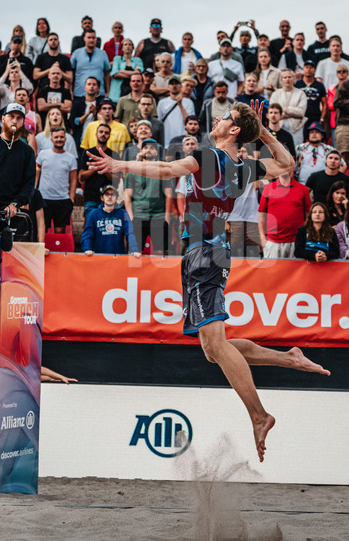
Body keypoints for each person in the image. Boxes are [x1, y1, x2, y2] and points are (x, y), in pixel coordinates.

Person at [87, 101, 328, 461]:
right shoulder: (242, 167)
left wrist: (121, 164)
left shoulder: (212, 157)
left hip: (204, 253)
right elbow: (287, 164)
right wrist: (260, 130)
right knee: (214, 349)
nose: (217, 118)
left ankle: (260, 415)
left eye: (226, 117)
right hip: (210, 252)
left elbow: (168, 169)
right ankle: (290, 358)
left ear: (232, 131)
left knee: (216, 347)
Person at [0, 103, 37, 220]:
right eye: (11, 116)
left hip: (10, 211)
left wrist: (15, 204)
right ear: (3, 118)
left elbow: (29, 184)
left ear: (23, 122)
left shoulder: (27, 151)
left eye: (19, 118)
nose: (15, 121)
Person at [123, 138, 173, 255]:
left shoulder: (163, 171)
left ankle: (159, 274)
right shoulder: (133, 171)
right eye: (145, 148)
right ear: (140, 151)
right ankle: (134, 274)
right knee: (134, 252)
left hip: (158, 216)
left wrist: (167, 217)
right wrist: (131, 217)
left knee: (160, 252)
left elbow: (169, 196)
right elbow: (128, 196)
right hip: (138, 215)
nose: (148, 150)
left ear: (156, 152)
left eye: (152, 148)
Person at [258, 171, 311, 259]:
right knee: (272, 272)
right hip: (272, 242)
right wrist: (263, 239)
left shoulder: (303, 189)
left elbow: (308, 217)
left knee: (296, 272)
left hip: (296, 242)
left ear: (292, 168)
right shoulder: (268, 188)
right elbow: (261, 217)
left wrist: (303, 238)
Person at [35, 127, 78, 234]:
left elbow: (73, 180)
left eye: (61, 137)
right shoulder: (42, 154)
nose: (59, 139)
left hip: (63, 200)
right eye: (56, 137)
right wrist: (33, 194)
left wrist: (71, 199)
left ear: (65, 139)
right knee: (42, 231)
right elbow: (36, 176)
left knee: (60, 233)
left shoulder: (71, 158)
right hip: (44, 198)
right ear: (51, 139)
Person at [82, 185, 141, 257]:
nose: (110, 197)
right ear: (102, 197)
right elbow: (88, 234)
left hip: (117, 257)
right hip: (98, 257)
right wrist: (87, 248)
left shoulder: (123, 213)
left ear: (116, 198)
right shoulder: (94, 214)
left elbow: (130, 233)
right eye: (107, 194)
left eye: (112, 194)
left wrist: (134, 249)